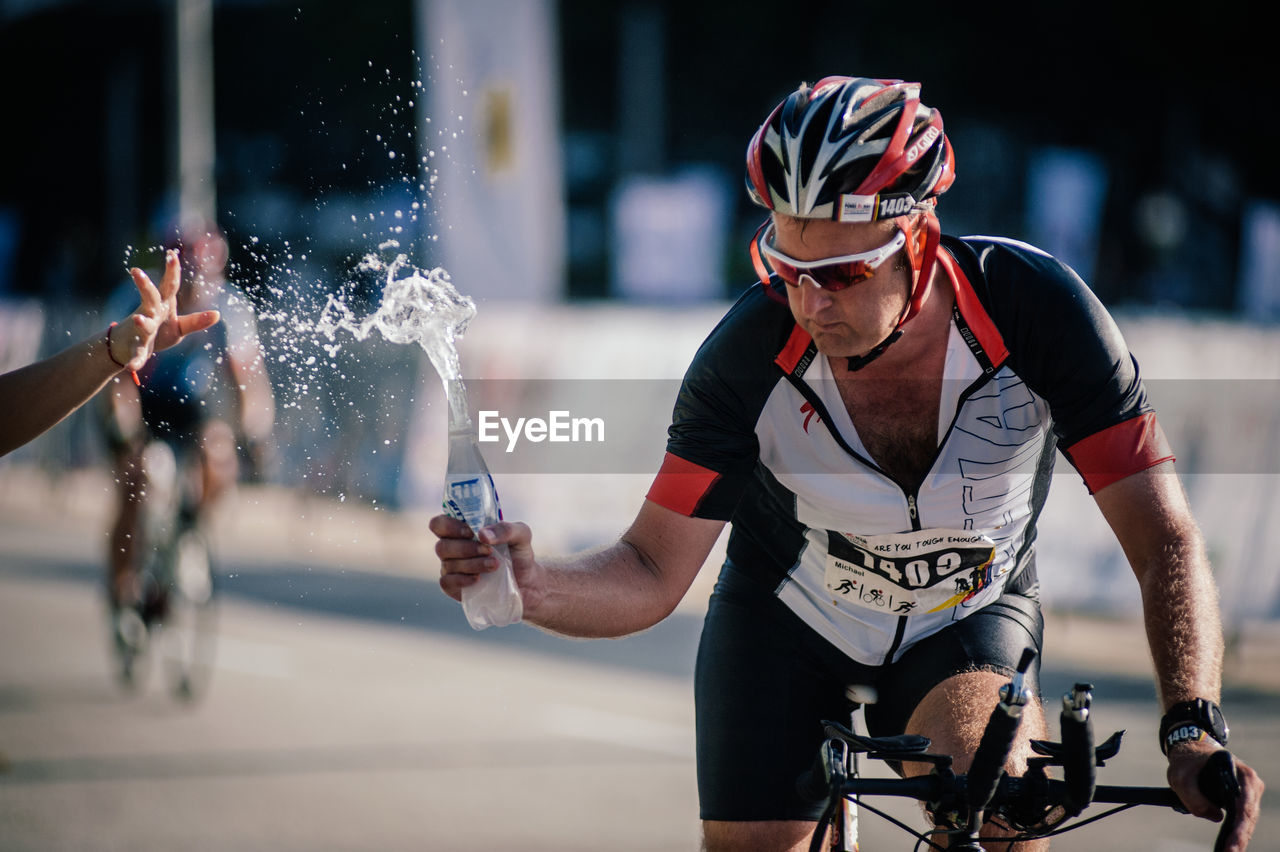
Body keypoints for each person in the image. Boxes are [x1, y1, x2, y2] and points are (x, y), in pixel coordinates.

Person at [430, 77, 1263, 850]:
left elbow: (1164, 539)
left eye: (841, 274)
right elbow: (651, 568)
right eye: (786, 270)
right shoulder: (747, 358)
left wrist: (1192, 724)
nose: (810, 302)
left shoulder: (1041, 315)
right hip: (788, 622)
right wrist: (531, 585)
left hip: (964, 616)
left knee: (995, 812)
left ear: (919, 239)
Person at [101, 224, 274, 627]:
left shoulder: (228, 309)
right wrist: (124, 431)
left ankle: (190, 531)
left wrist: (255, 433)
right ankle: (122, 590)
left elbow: (249, 381)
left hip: (189, 404)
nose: (199, 286)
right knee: (137, 482)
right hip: (140, 400)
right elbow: (115, 381)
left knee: (220, 454)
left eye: (206, 276)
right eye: (190, 276)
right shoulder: (135, 299)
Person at [0, 249, 219, 458]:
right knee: (136, 466)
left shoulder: (223, 303)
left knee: (217, 453)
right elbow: (119, 383)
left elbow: (239, 373)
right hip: (140, 395)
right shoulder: (134, 298)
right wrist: (124, 436)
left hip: (186, 400)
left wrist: (249, 428)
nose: (193, 281)